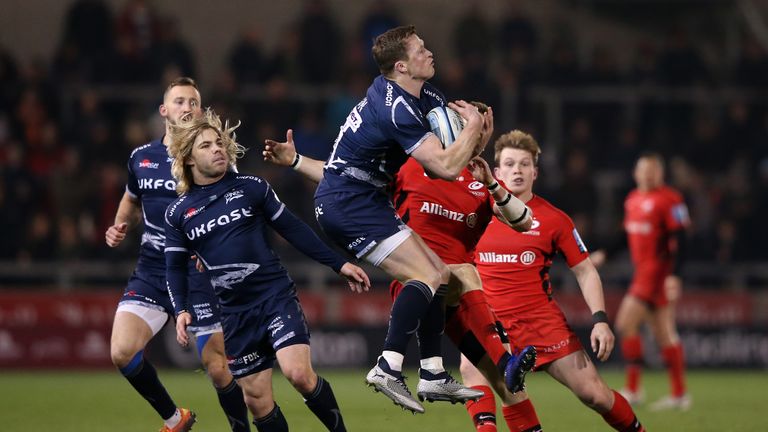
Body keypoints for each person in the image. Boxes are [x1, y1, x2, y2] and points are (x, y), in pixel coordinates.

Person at [290, 25, 535, 414]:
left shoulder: (422, 94)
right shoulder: (397, 108)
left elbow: (458, 153)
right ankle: (387, 366)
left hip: (362, 198)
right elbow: (444, 168)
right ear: (402, 65)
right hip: (348, 203)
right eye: (421, 50)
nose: (430, 53)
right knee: (428, 275)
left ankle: (433, 372)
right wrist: (470, 130)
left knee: (437, 271)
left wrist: (477, 136)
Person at [164, 108, 370, 432]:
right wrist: (181, 310)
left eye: (219, 142)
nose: (217, 148)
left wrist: (338, 262)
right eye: (205, 145)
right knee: (256, 401)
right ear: (188, 158)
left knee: (299, 374)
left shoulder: (251, 187)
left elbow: (293, 228)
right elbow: (174, 267)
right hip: (234, 313)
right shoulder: (178, 213)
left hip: (274, 295)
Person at [461, 130, 645, 432]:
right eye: (509, 164)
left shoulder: (553, 219)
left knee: (594, 394)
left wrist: (600, 320)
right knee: (472, 369)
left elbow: (585, 270)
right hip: (490, 322)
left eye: (523, 164)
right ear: (496, 171)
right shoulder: (475, 211)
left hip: (540, 323)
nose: (516, 170)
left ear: (535, 172)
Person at [104, 77, 249, 432]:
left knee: (217, 367)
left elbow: (235, 209)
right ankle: (174, 419)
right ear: (164, 110)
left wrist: (215, 247)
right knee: (121, 351)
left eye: (193, 102)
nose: (187, 107)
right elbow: (132, 198)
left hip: (199, 273)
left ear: (201, 110)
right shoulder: (142, 157)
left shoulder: (215, 159)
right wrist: (119, 225)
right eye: (180, 101)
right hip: (153, 268)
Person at [591, 152, 691, 411]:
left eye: (653, 170)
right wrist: (605, 253)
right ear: (636, 173)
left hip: (656, 273)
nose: (648, 174)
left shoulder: (670, 200)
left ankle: (634, 389)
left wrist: (675, 275)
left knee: (625, 323)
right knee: (664, 333)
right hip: (643, 272)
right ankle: (679, 394)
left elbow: (681, 240)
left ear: (660, 173)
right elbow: (626, 234)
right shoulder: (633, 200)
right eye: (643, 169)